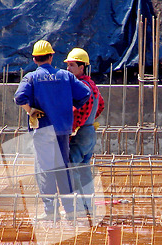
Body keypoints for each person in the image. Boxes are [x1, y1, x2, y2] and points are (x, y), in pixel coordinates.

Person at [14, 40, 91, 221]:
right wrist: (68, 105)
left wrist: (30, 110)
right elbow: (85, 94)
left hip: (42, 131)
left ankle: (51, 212)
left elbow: (19, 97)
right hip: (63, 131)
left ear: (34, 59)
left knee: (45, 171)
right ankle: (70, 210)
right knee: (63, 169)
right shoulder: (65, 76)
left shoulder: (31, 77)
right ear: (51, 56)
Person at [64, 48, 105, 218]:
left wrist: (73, 128)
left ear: (82, 67)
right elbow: (100, 104)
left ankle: (78, 208)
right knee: (84, 170)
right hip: (89, 132)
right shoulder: (93, 84)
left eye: (72, 65)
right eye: (67, 65)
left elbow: (80, 110)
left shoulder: (81, 86)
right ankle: (89, 206)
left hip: (81, 133)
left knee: (71, 167)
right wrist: (90, 122)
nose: (68, 69)